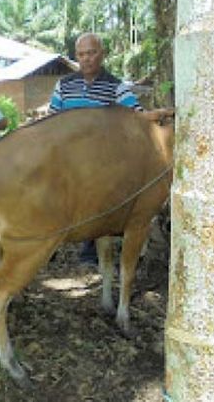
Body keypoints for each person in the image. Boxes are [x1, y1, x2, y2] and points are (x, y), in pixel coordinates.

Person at [49, 33, 143, 264]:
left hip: (101, 160)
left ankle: (92, 243)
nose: (86, 59)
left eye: (91, 53)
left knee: (102, 198)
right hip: (67, 155)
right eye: (81, 54)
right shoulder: (64, 85)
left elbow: (137, 115)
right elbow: (51, 120)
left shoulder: (115, 87)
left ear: (101, 54)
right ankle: (47, 240)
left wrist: (157, 117)